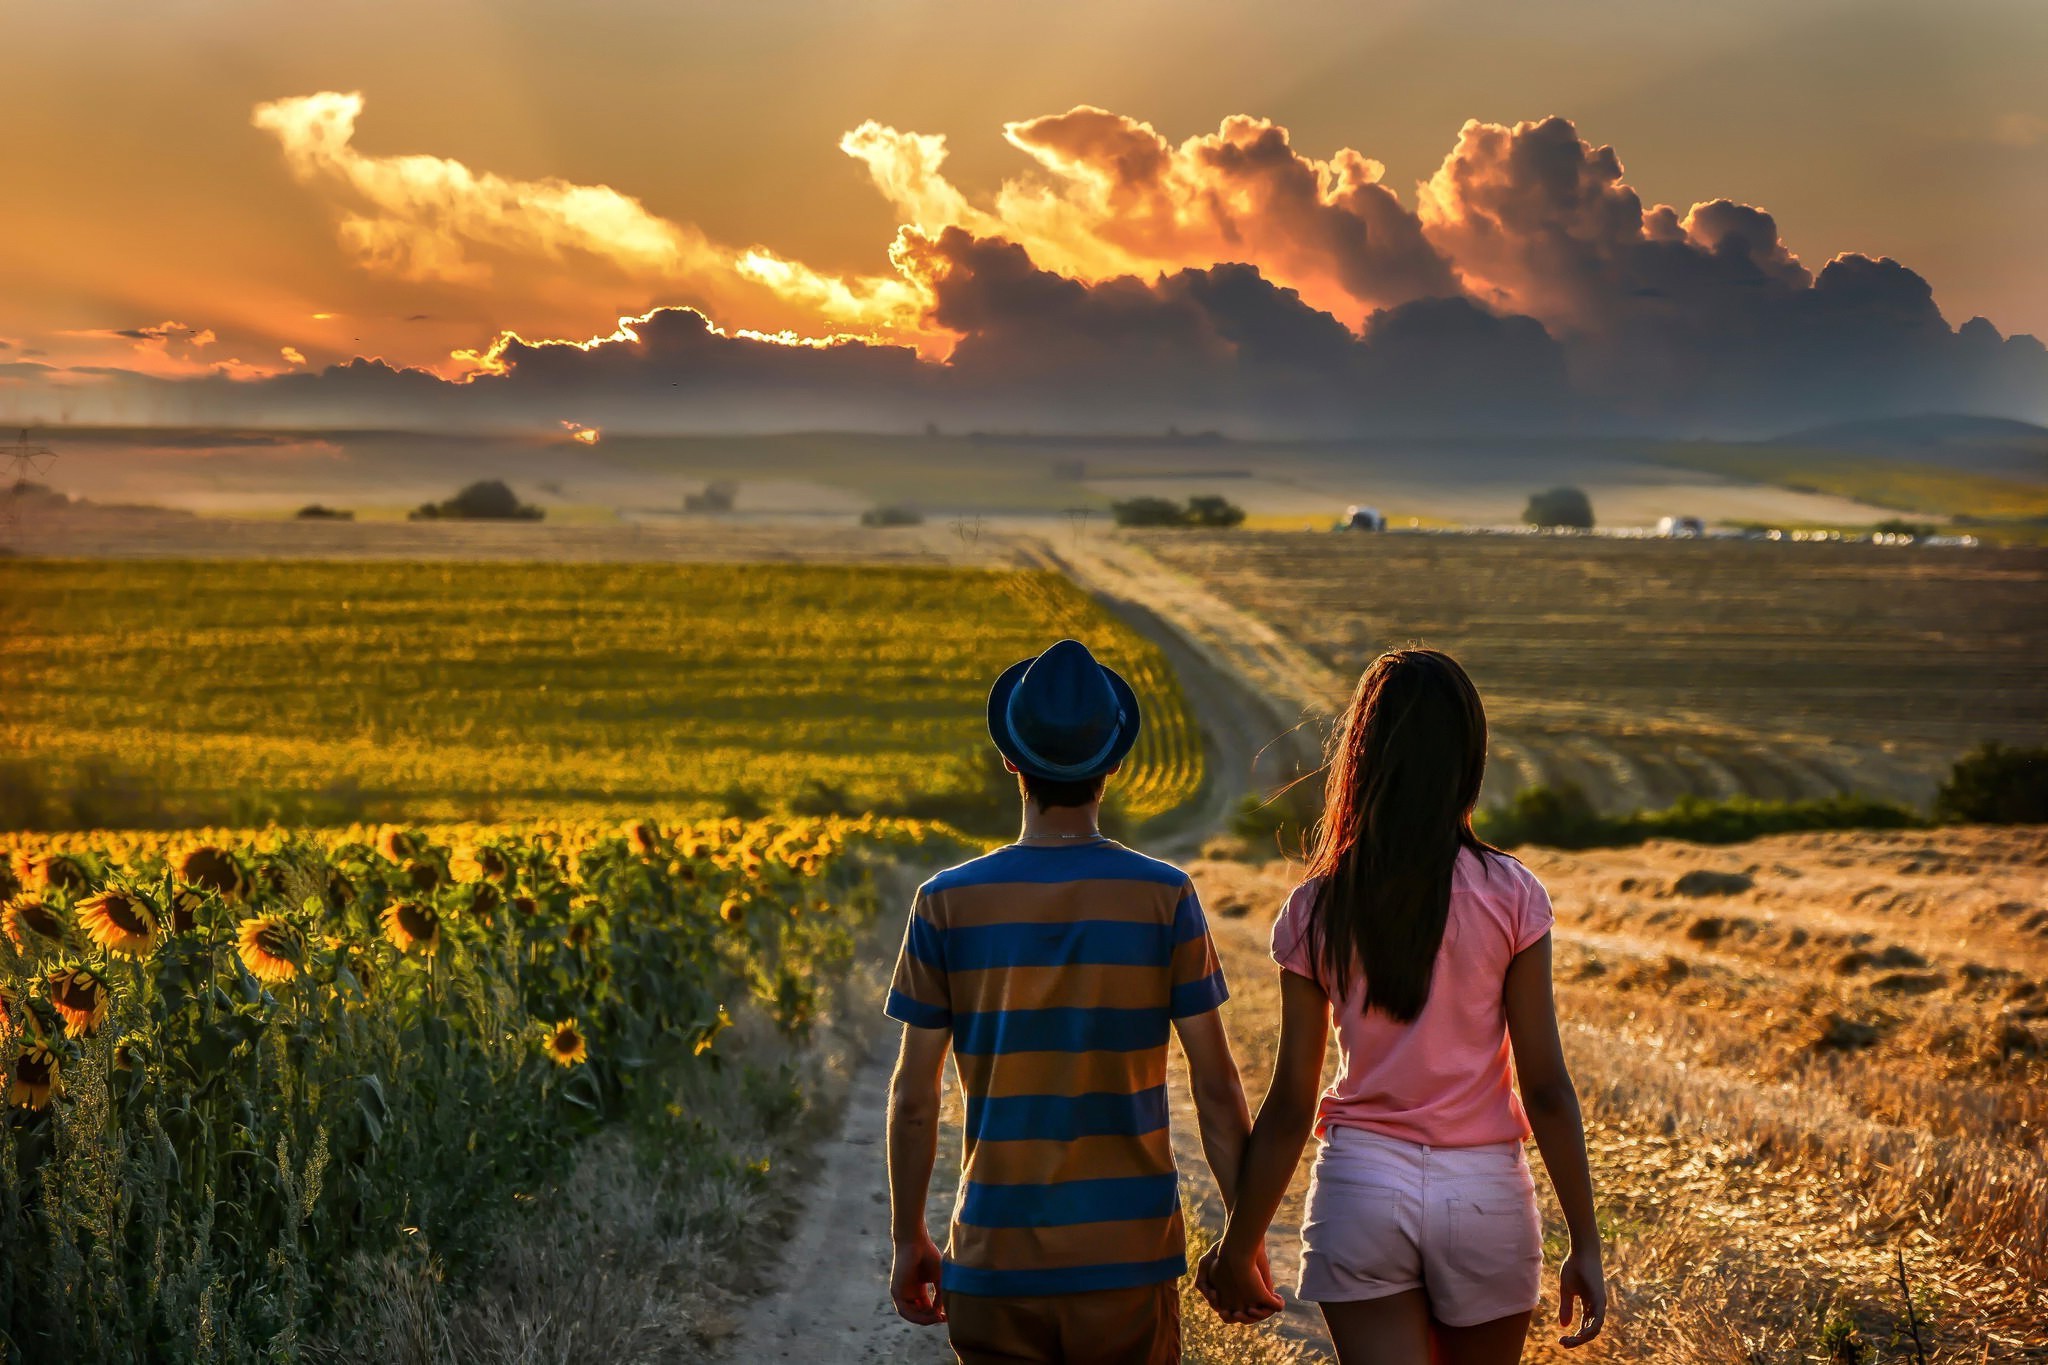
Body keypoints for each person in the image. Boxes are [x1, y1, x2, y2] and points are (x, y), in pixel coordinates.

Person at [1198, 649, 1607, 1363]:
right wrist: (1587, 1242)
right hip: (1484, 1192)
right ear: (1469, 760)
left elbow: (1292, 1101)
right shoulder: (1514, 894)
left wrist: (1241, 1242)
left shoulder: (1316, 906)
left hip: (1362, 1187)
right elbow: (1544, 1085)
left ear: (1360, 757)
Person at [884, 638, 1278, 1364]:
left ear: (1011, 759)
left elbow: (914, 1098)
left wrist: (910, 1235)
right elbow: (1219, 1088)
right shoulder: (1166, 897)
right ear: (1115, 764)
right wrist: (1243, 1238)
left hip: (994, 1257)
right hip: (1128, 1264)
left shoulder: (943, 902)